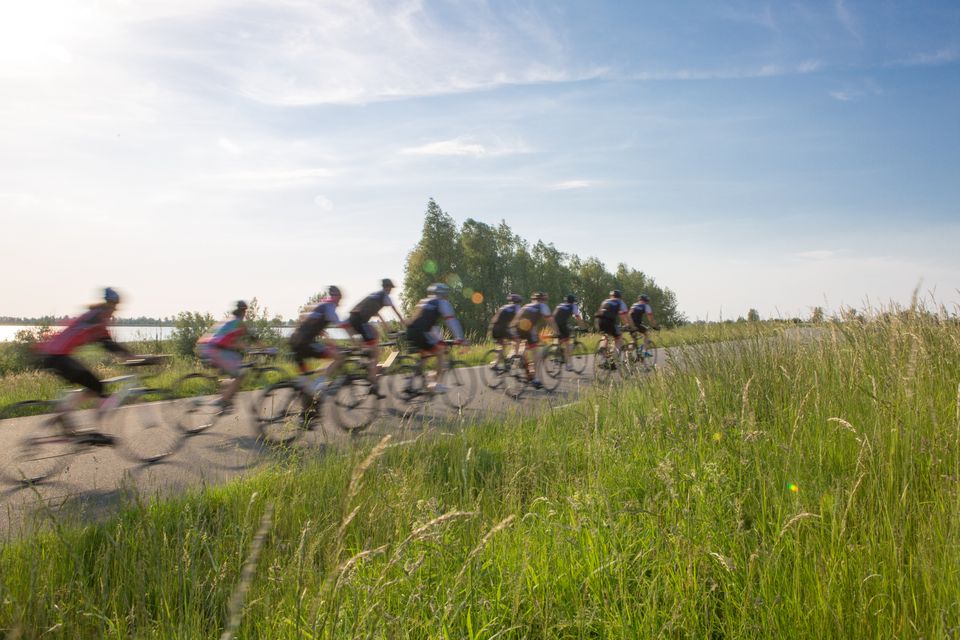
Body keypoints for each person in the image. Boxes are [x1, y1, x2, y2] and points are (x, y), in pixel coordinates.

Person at [32, 287, 141, 432]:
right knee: (97, 386)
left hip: (55, 355)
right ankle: (91, 428)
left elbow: (106, 342)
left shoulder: (95, 316)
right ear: (109, 304)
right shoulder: (97, 317)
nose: (115, 310)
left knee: (94, 385)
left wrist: (127, 355)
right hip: (57, 356)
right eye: (114, 306)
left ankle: (69, 416)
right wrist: (132, 356)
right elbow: (107, 343)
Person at [347, 278, 406, 397]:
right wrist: (405, 324)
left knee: (375, 335)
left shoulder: (375, 296)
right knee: (376, 353)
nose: (391, 291)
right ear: (387, 287)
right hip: (360, 321)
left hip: (353, 319)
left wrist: (386, 327)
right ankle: (373, 384)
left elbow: (376, 313)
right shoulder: (384, 296)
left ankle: (365, 362)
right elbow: (396, 312)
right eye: (390, 288)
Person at [288, 286, 351, 394]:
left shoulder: (321, 307)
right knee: (339, 357)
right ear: (336, 297)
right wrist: (355, 341)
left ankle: (305, 398)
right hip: (305, 343)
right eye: (339, 299)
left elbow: (319, 330)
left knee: (305, 382)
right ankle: (319, 383)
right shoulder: (329, 308)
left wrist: (333, 344)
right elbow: (342, 325)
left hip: (295, 340)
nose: (339, 303)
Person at [404, 283, 466, 393]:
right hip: (423, 333)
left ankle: (410, 381)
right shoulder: (442, 303)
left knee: (425, 355)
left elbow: (429, 324)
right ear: (443, 294)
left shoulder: (424, 302)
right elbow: (451, 321)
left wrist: (439, 340)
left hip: (412, 331)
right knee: (440, 352)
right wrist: (460, 338)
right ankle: (435, 384)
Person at [196, 300, 254, 413]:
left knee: (235, 366)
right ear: (243, 312)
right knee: (240, 374)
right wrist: (266, 349)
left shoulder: (229, 320)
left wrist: (245, 347)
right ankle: (223, 400)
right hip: (214, 350)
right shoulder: (238, 323)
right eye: (245, 311)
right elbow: (252, 338)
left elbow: (231, 342)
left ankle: (224, 397)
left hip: (205, 347)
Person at [511, 292, 558, 388]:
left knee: (524, 345)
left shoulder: (526, 305)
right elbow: (551, 321)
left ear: (534, 299)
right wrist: (557, 332)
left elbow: (517, 318)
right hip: (528, 329)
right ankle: (536, 378)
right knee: (535, 352)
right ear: (542, 300)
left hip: (516, 327)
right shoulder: (543, 306)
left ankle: (518, 360)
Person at [553, 294, 586, 371]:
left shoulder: (560, 305)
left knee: (560, 339)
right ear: (573, 301)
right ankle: (568, 365)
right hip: (562, 324)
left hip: (553, 323)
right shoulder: (573, 306)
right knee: (567, 344)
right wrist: (583, 328)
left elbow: (554, 315)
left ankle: (556, 356)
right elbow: (578, 317)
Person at [488, 293, 522, 361]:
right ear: (518, 301)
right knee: (517, 340)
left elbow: (494, 319)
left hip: (495, 328)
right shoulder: (517, 307)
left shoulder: (503, 307)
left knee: (503, 345)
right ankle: (516, 358)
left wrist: (489, 330)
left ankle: (495, 363)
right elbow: (519, 319)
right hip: (504, 329)